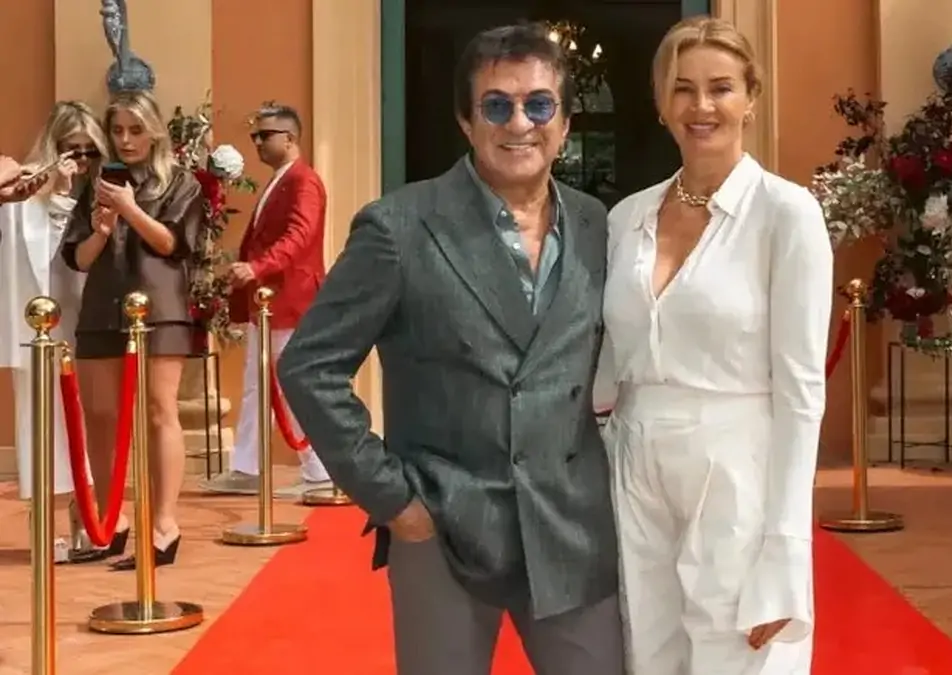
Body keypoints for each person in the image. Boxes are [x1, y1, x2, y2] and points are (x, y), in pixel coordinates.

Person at [277, 23, 623, 675]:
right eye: (496, 105)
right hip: (444, 526)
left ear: (565, 124)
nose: (519, 123)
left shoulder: (597, 225)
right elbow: (309, 365)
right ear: (466, 121)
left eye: (538, 104)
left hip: (570, 527)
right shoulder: (399, 227)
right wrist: (394, 500)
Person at [597, 16, 832, 675]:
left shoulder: (787, 214)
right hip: (634, 461)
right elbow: (609, 361)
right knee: (648, 655)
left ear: (751, 97)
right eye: (683, 88)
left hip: (737, 462)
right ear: (661, 103)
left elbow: (802, 391)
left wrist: (786, 549)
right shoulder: (627, 218)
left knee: (737, 658)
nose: (701, 106)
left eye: (721, 87)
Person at [61, 90, 206, 571]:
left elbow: (171, 243)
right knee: (100, 414)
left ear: (154, 131)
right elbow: (80, 259)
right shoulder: (97, 184)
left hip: (158, 308)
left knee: (160, 411)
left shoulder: (180, 183)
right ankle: (110, 521)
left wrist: (129, 209)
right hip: (102, 307)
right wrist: (102, 230)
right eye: (118, 130)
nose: (125, 139)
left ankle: (164, 526)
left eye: (135, 130)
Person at [199, 103, 332, 498]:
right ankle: (250, 468)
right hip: (269, 303)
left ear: (289, 138)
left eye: (265, 135)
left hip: (291, 301)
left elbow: (299, 236)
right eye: (255, 135)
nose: (256, 141)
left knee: (289, 384)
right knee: (259, 384)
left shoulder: (304, 182)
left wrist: (257, 267)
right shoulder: (281, 180)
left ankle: (320, 470)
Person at [0, 102, 106, 563]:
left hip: (89, 327)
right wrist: (57, 192)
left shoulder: (105, 192)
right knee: (42, 430)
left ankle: (89, 521)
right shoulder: (26, 194)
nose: (79, 161)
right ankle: (45, 527)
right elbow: (43, 256)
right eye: (70, 150)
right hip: (40, 331)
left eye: (88, 151)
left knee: (89, 428)